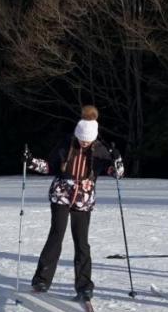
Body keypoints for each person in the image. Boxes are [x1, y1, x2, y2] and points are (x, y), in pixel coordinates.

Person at [29, 105, 124, 300]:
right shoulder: (66, 144)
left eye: (88, 141)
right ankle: (42, 279)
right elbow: (49, 166)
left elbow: (118, 174)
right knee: (56, 235)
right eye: (81, 139)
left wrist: (117, 159)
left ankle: (84, 286)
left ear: (94, 138)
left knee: (81, 242)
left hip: (84, 199)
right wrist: (31, 162)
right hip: (62, 194)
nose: (84, 143)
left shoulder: (100, 150)